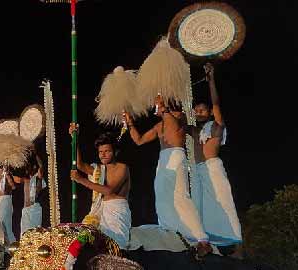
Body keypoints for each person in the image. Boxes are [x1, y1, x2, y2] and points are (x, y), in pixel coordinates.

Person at [124, 95, 211, 254]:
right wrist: (129, 122)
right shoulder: (159, 125)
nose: (155, 109)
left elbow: (175, 127)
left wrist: (163, 107)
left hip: (176, 156)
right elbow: (139, 140)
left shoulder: (179, 116)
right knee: (162, 197)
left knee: (180, 196)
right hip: (163, 160)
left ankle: (202, 239)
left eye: (157, 106)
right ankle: (170, 230)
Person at [189, 63, 242, 249]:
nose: (198, 112)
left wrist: (211, 81)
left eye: (203, 109)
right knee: (198, 207)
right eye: (196, 110)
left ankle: (232, 243)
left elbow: (216, 104)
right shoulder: (194, 130)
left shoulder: (216, 126)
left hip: (212, 167)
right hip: (196, 171)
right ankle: (202, 241)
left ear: (210, 112)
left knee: (221, 201)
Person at [69, 127, 132, 248]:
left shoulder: (122, 168)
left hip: (116, 211)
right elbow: (79, 165)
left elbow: (109, 190)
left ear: (115, 152)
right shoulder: (99, 169)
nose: (103, 155)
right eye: (100, 152)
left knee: (115, 247)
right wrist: (74, 139)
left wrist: (81, 180)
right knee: (87, 242)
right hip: (99, 211)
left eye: (107, 151)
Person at [18, 155, 46, 235]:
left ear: (34, 166)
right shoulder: (26, 180)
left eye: (28, 166)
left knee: (34, 235)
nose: (27, 168)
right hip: (25, 211)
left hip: (34, 210)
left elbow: (38, 193)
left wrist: (35, 153)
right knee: (24, 236)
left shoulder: (38, 177)